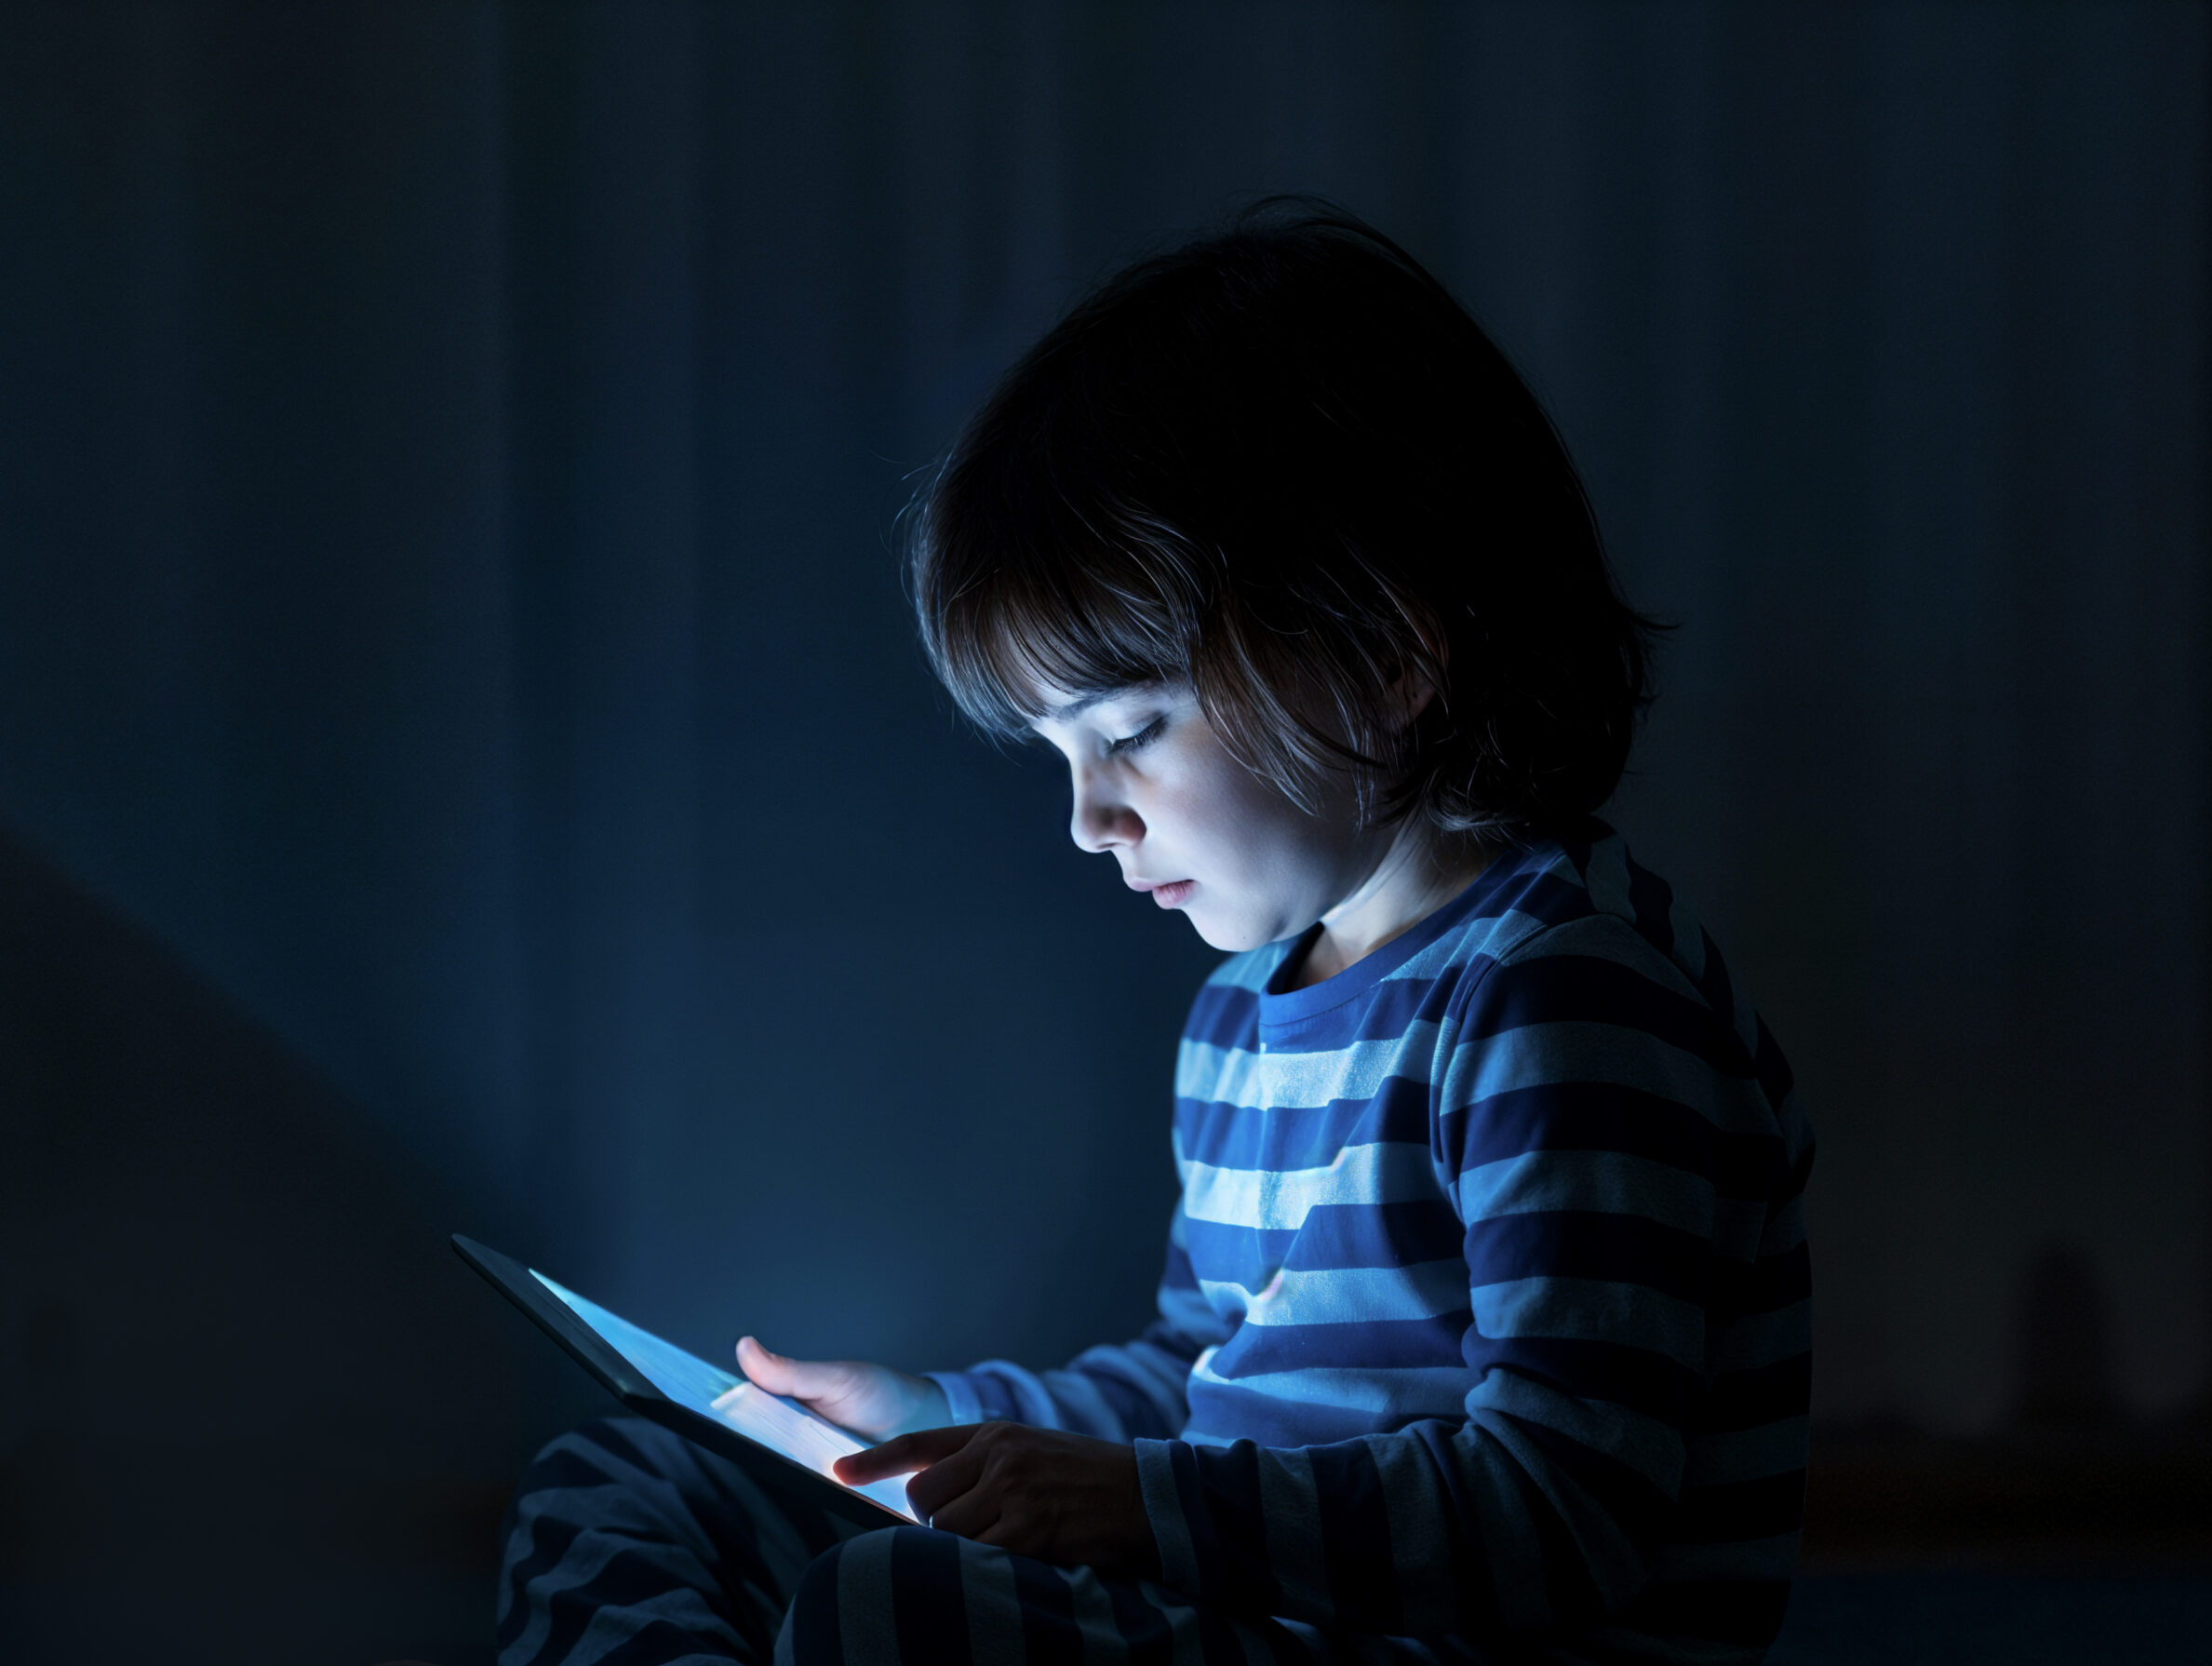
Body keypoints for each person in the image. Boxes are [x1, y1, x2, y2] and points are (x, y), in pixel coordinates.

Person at [496, 201, 1814, 1666]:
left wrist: (1139, 1512)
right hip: (1237, 1593)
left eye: (1128, 730)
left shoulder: (1562, 1006)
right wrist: (941, 1422)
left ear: (1382, 657)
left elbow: (1559, 1512)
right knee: (628, 1480)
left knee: (893, 1614)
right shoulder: (1249, 1012)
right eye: (1063, 753)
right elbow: (1203, 1380)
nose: (1089, 819)